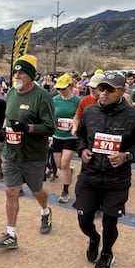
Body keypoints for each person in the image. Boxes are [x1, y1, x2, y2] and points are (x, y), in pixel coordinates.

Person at [74, 72, 135, 268]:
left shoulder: (134, 116)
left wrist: (127, 156)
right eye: (101, 88)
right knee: (83, 216)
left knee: (110, 221)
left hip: (116, 179)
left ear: (122, 91)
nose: (104, 93)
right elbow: (80, 137)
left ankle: (107, 251)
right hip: (90, 175)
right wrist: (82, 150)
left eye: (110, 89)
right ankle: (93, 238)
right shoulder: (89, 112)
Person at [0, 55, 57, 249]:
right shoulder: (11, 93)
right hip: (12, 153)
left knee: (36, 191)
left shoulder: (42, 96)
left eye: (21, 72)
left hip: (33, 155)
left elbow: (50, 127)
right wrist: (5, 131)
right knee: (11, 191)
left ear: (31, 75)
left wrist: (27, 128)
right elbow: (9, 119)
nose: (17, 75)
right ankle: (11, 235)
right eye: (15, 72)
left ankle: (45, 211)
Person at [50, 74, 80, 203]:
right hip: (57, 135)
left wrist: (75, 125)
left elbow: (80, 117)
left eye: (63, 88)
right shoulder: (54, 100)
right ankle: (68, 170)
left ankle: (65, 191)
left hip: (70, 136)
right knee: (59, 166)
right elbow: (51, 117)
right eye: (59, 89)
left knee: (64, 163)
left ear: (71, 86)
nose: (61, 91)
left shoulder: (77, 101)